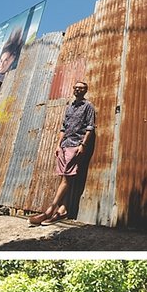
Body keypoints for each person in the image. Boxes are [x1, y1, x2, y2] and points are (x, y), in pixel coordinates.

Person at [29, 80, 95, 225]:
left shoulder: (88, 106)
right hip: (64, 145)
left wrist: (83, 144)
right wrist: (58, 145)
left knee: (66, 178)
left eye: (81, 88)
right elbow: (63, 128)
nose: (78, 90)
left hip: (75, 145)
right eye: (76, 88)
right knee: (65, 178)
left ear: (85, 91)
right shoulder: (70, 107)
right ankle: (62, 210)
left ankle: (49, 211)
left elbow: (90, 127)